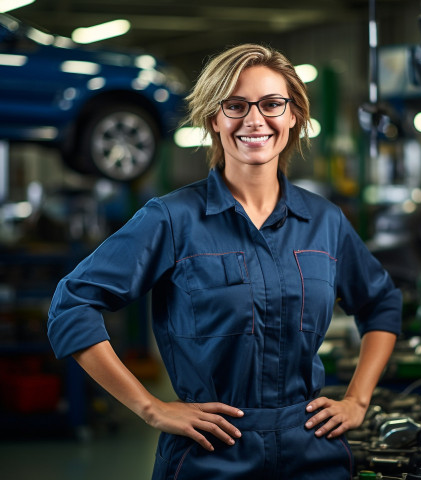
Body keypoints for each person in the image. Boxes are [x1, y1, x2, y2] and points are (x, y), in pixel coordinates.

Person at [48, 43, 402, 479]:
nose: (255, 120)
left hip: (313, 450)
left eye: (272, 104)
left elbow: (380, 301)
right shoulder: (172, 219)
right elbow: (73, 302)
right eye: (236, 105)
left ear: (293, 116)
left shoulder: (325, 221)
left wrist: (357, 400)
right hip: (210, 454)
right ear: (214, 119)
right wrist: (152, 408)